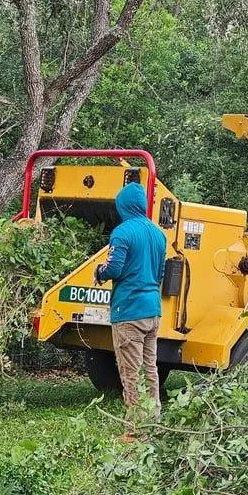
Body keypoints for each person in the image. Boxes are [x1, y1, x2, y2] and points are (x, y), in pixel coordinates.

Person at [94, 182, 166, 441]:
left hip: (129, 311)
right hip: (152, 311)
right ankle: (153, 422)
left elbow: (113, 268)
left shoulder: (122, 233)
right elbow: (160, 274)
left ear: (123, 206)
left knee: (130, 370)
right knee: (150, 368)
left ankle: (135, 431)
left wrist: (99, 272)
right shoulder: (159, 234)